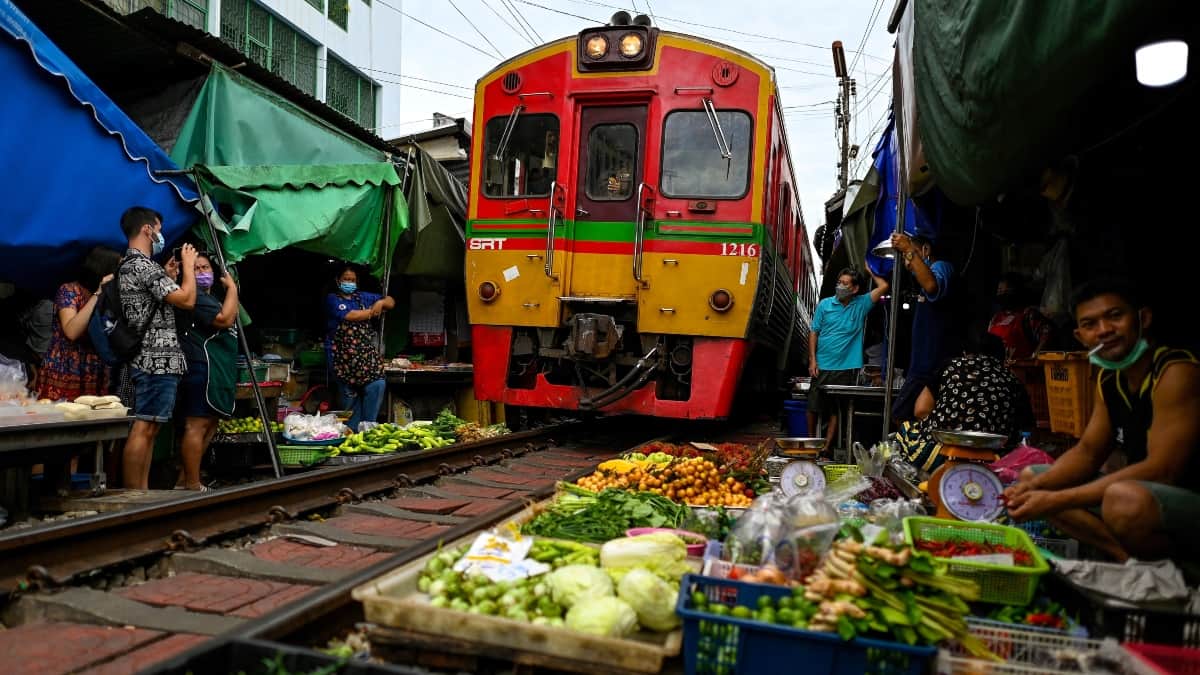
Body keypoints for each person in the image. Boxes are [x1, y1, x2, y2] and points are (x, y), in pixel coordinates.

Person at [1004, 279, 1200, 562]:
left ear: (1142, 318)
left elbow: (1163, 469)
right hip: (1143, 494)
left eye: (1115, 316)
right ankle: (1130, 562)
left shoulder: (1175, 371)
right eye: (1090, 324)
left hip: (1184, 500)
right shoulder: (1109, 377)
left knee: (1122, 500)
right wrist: (1032, 489)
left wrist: (1056, 500)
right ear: (1079, 335)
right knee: (1033, 478)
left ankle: (1182, 571)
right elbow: (1088, 452)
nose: (1104, 330)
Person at [118, 207, 197, 490]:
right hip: (154, 358)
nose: (161, 235)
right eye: (159, 229)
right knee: (144, 426)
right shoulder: (142, 265)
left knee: (150, 427)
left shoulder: (135, 266)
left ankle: (141, 492)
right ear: (147, 230)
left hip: (155, 357)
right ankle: (133, 494)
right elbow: (186, 299)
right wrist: (189, 265)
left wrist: (167, 274)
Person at [891, 331, 1034, 473]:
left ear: (965, 353)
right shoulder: (1012, 380)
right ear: (1002, 358)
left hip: (937, 457)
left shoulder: (950, 366)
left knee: (906, 429)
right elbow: (1026, 428)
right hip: (996, 462)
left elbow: (921, 410)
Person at [174, 252, 239, 492]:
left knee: (210, 425)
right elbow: (224, 320)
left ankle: (185, 479)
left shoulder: (211, 298)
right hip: (202, 367)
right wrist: (232, 288)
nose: (203, 273)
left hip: (217, 368)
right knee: (196, 425)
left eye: (206, 267)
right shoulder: (196, 297)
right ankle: (192, 484)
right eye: (197, 268)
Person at [807, 265, 888, 448]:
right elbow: (814, 332)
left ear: (855, 289)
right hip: (822, 364)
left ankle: (826, 447)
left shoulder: (861, 304)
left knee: (838, 409)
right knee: (813, 406)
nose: (840, 287)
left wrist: (871, 268)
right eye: (839, 283)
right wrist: (812, 359)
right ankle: (811, 442)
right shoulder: (825, 305)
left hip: (847, 367)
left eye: (845, 284)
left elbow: (884, 287)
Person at [888, 232, 960, 422]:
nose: (908, 262)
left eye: (911, 256)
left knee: (902, 414)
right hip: (922, 364)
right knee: (911, 414)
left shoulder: (941, 266)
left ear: (926, 250)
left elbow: (931, 286)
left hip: (932, 363)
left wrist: (908, 249)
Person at [37, 246, 123, 401]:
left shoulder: (113, 296)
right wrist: (98, 293)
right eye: (117, 269)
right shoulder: (69, 291)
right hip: (65, 370)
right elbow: (71, 331)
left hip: (95, 370)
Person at [325, 264, 395, 431]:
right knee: (350, 402)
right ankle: (353, 433)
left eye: (353, 280)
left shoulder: (362, 297)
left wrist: (382, 302)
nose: (349, 282)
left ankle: (369, 427)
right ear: (338, 280)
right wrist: (374, 310)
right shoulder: (332, 299)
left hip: (364, 356)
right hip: (342, 359)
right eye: (346, 279)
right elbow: (351, 315)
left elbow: (391, 301)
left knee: (377, 384)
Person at [988, 272, 1051, 360]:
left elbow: (1046, 336)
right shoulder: (996, 318)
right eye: (999, 291)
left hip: (1021, 370)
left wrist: (1033, 358)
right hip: (997, 370)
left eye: (1006, 291)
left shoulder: (1028, 315)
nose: (1001, 294)